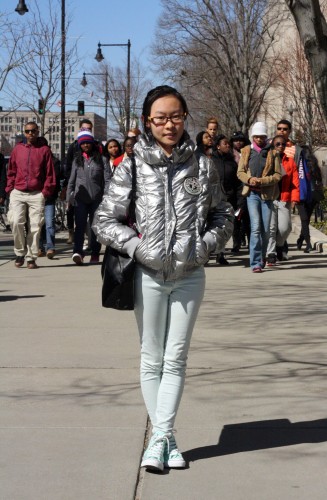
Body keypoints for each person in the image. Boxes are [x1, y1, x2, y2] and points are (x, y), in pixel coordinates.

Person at [93, 85, 233, 472]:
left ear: (185, 117)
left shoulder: (202, 165)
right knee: (152, 357)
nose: (168, 125)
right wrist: (138, 248)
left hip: (190, 276)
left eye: (175, 116)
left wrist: (204, 246)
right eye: (160, 118)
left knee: (176, 359)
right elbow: (103, 220)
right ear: (147, 122)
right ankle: (165, 439)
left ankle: (160, 437)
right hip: (148, 276)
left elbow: (223, 216)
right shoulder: (132, 165)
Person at [5, 123, 56, 269]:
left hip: (36, 193)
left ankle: (31, 257)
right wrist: (10, 188)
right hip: (18, 192)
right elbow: (11, 170)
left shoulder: (44, 150)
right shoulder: (17, 149)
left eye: (33, 131)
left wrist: (45, 192)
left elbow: (50, 173)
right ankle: (20, 252)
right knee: (15, 222)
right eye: (27, 131)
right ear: (24, 133)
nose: (30, 134)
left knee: (35, 226)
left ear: (38, 132)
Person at [237, 122, 282, 273]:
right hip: (252, 195)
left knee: (266, 230)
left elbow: (277, 175)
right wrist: (249, 180)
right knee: (255, 228)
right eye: (256, 137)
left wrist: (263, 181)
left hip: (267, 196)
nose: (259, 139)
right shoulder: (246, 151)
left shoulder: (273, 153)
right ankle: (255, 262)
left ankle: (262, 257)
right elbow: (240, 172)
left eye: (262, 137)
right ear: (252, 137)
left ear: (265, 137)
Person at [67, 130, 111, 265]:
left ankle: (95, 252)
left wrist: (107, 196)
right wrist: (69, 197)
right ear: (80, 145)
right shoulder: (77, 160)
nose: (86, 145)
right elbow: (72, 181)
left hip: (97, 199)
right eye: (83, 143)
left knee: (95, 227)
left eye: (88, 142)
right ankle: (78, 252)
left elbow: (108, 180)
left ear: (92, 143)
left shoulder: (102, 160)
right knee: (79, 225)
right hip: (80, 199)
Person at [64, 118, 101, 244]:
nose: (87, 130)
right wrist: (71, 188)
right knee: (79, 219)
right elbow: (68, 167)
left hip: (95, 192)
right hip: (79, 189)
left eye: (89, 129)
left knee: (94, 222)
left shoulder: (97, 147)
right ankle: (76, 242)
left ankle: (92, 245)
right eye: (84, 128)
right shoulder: (74, 147)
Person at [266, 135, 300, 265]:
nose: (280, 146)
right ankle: (271, 253)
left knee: (285, 228)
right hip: (270, 198)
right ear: (272, 145)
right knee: (271, 227)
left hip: (284, 198)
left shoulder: (289, 161)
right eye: (278, 144)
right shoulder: (268, 159)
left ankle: (280, 245)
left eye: (283, 144)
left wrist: (295, 198)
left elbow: (295, 182)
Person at [212, 134, 243, 263]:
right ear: (218, 146)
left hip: (228, 199)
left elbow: (238, 183)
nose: (228, 146)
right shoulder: (211, 161)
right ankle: (210, 252)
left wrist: (240, 200)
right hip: (213, 199)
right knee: (213, 226)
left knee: (225, 226)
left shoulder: (232, 163)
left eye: (228, 144)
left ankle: (221, 253)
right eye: (225, 143)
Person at [296, 145, 323, 253]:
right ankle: (306, 242)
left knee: (305, 219)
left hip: (303, 195)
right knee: (305, 219)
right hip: (312, 195)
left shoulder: (300, 164)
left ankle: (304, 241)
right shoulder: (314, 164)